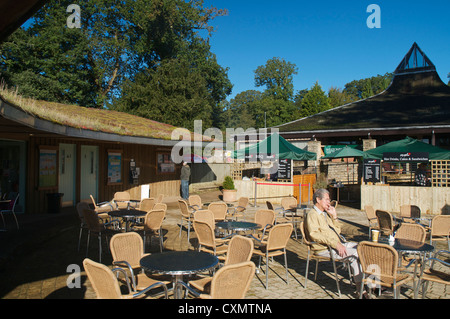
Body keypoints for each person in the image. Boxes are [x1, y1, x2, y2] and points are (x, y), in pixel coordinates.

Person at [305, 188, 364, 297]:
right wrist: (335, 244)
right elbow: (314, 235)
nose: (329, 202)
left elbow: (337, 231)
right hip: (324, 248)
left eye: (329, 199)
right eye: (327, 200)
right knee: (356, 254)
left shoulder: (325, 214)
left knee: (362, 248)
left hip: (337, 243)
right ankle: (363, 289)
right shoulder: (312, 215)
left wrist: (334, 216)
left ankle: (367, 285)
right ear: (318, 199)